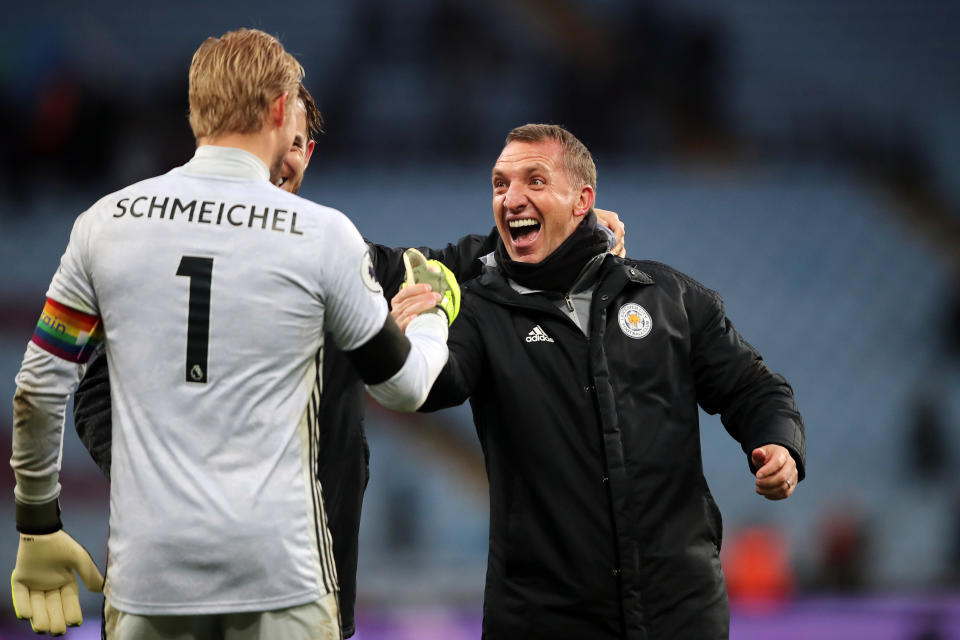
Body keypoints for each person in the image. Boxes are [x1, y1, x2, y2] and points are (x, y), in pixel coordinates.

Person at [70, 87, 627, 637]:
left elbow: (437, 266)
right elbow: (94, 392)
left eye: (299, 145)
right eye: (277, 141)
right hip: (178, 578)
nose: (284, 161)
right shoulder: (149, 245)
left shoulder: (327, 249)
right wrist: (160, 483)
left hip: (304, 579)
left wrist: (560, 228)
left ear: (308, 154)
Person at [9, 28, 458, 639]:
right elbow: (404, 389)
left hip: (149, 580)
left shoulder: (104, 224)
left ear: (197, 110)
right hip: (283, 576)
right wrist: (430, 312)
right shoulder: (323, 235)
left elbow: (38, 388)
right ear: (280, 107)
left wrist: (38, 523)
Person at [391, 123, 806, 639]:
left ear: (582, 199)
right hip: (544, 620)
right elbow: (437, 384)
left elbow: (754, 388)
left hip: (680, 613)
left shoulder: (669, 297)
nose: (512, 198)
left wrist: (778, 443)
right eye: (500, 185)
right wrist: (404, 342)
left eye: (534, 181)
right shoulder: (481, 312)